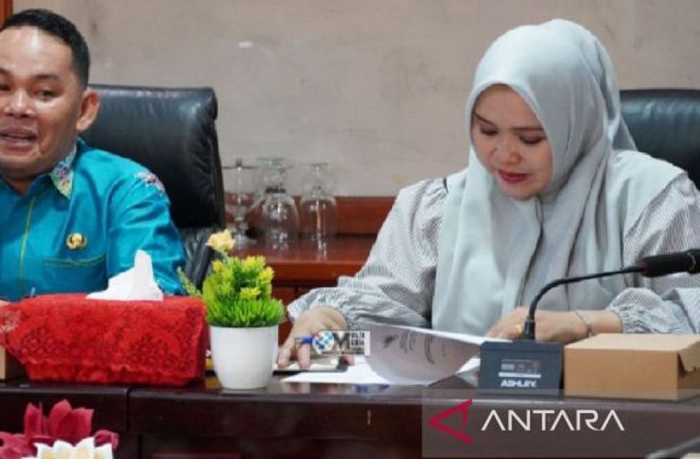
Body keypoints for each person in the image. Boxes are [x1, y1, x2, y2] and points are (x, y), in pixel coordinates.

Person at [279, 19, 700, 368]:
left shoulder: (651, 197)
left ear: (575, 127)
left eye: (531, 138)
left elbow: (692, 313)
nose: (504, 154)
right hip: (458, 425)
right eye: (487, 131)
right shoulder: (436, 208)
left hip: (614, 425)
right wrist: (330, 318)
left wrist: (587, 324)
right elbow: (380, 309)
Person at [0, 9, 185, 322]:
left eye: (44, 93)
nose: (17, 107)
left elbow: (155, 320)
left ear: (84, 110)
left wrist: (28, 323)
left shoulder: (128, 194)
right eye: (0, 87)